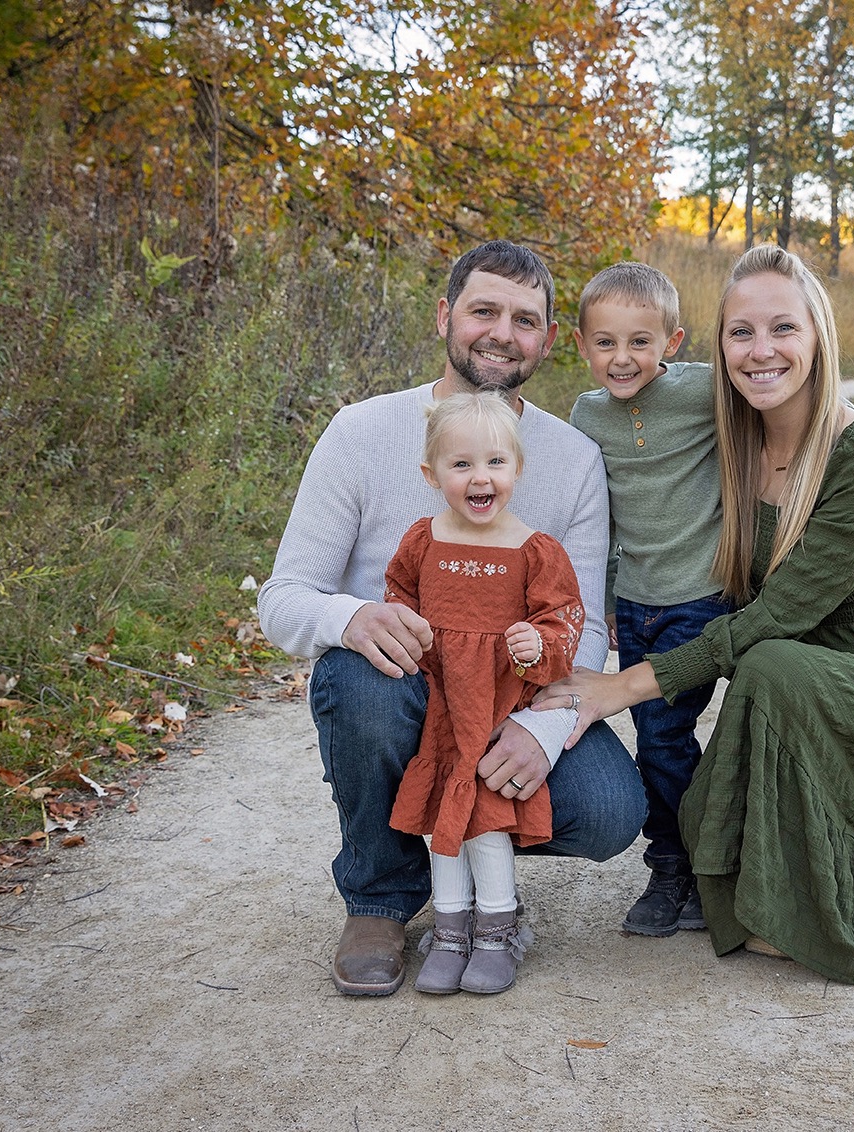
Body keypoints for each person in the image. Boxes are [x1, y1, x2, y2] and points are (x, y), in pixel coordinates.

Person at [542, 244, 854, 985]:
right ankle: (759, 871)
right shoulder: (729, 437)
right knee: (695, 813)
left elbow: (772, 618)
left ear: (818, 335)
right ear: (717, 348)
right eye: (741, 332)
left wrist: (622, 686)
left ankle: (832, 885)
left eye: (783, 328)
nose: (761, 351)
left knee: (769, 659)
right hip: (802, 695)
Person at [257, 240, 647, 997]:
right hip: (404, 689)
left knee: (608, 810)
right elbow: (285, 597)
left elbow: (584, 622)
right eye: (484, 311)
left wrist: (543, 727)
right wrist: (353, 617)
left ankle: (477, 862)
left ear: (545, 340)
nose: (502, 333)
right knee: (360, 681)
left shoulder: (569, 457)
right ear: (445, 316)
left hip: (512, 692)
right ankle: (379, 897)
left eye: (525, 320)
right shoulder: (363, 433)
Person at [384, 392, 584, 994]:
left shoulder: (533, 550)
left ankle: (495, 928)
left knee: (487, 823)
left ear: (517, 470)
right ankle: (449, 929)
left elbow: (565, 618)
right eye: (462, 464)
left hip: (497, 709)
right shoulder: (423, 541)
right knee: (446, 815)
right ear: (432, 474)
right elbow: (398, 592)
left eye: (496, 463)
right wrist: (408, 624)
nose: (480, 477)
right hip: (441, 707)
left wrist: (536, 643)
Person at [567, 262, 729, 938]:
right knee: (660, 739)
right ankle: (680, 867)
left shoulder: (705, 393)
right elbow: (593, 515)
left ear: (674, 339)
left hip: (702, 596)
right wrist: (601, 599)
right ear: (581, 346)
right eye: (605, 342)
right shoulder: (585, 415)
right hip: (634, 603)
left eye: (641, 341)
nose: (622, 357)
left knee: (676, 735)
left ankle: (697, 866)